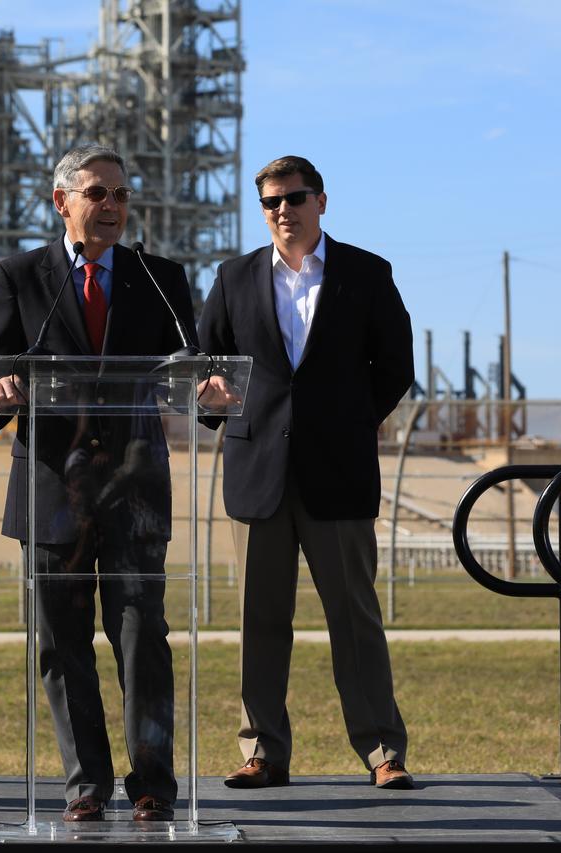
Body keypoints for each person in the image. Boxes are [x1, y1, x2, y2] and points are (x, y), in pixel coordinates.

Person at [0, 145, 198, 823]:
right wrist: (0, 388)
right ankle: (86, 785)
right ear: (61, 200)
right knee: (62, 645)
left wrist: (208, 384)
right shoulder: (18, 276)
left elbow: (191, 363)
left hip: (134, 489)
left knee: (142, 636)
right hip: (53, 490)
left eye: (122, 196)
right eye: (98, 194)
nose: (112, 207)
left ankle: (153, 782)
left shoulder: (159, 277)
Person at [197, 156, 416, 790]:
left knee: (354, 618)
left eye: (295, 198)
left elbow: (395, 365)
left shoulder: (367, 274)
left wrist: (350, 421)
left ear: (322, 201)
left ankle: (383, 752)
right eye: (271, 202)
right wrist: (212, 401)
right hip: (256, 473)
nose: (283, 211)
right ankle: (262, 750)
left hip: (338, 475)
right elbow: (208, 363)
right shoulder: (232, 277)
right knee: (259, 622)